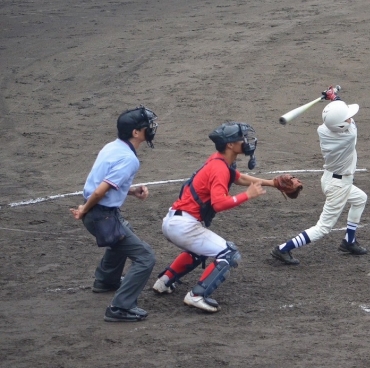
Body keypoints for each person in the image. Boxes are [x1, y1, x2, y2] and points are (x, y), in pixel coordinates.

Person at [152, 121, 290, 313]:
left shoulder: (219, 160)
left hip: (173, 221)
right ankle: (197, 295)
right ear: (230, 145)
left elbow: (239, 177)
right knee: (229, 253)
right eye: (242, 139)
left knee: (201, 249)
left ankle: (164, 281)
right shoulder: (219, 169)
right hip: (184, 226)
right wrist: (247, 195)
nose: (247, 141)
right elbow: (219, 203)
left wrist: (271, 183)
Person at [70, 105, 159, 322]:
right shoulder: (129, 159)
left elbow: (105, 184)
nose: (150, 129)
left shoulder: (112, 147)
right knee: (145, 257)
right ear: (136, 132)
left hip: (101, 213)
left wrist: (131, 190)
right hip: (101, 215)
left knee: (123, 233)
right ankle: (120, 308)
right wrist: (84, 210)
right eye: (146, 126)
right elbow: (100, 191)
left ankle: (106, 280)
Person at [271, 93, 368, 265]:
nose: (349, 118)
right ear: (341, 124)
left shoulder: (323, 130)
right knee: (323, 227)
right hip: (339, 186)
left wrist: (334, 101)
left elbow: (334, 118)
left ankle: (349, 241)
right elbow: (346, 120)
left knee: (360, 199)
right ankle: (283, 249)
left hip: (329, 179)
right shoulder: (350, 135)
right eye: (346, 118)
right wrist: (335, 97)